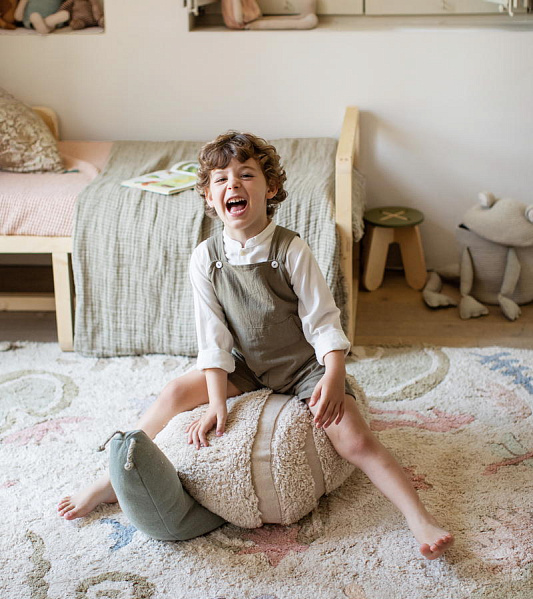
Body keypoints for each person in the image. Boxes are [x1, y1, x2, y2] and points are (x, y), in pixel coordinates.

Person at [58, 131, 453, 560]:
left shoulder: (291, 249)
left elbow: (324, 321)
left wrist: (335, 376)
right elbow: (213, 339)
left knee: (355, 440)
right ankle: (108, 482)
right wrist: (216, 402)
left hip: (304, 367)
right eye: (221, 179)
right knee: (173, 393)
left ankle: (419, 518)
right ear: (209, 197)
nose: (233, 184)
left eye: (246, 175)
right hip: (244, 364)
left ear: (271, 188)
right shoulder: (205, 258)